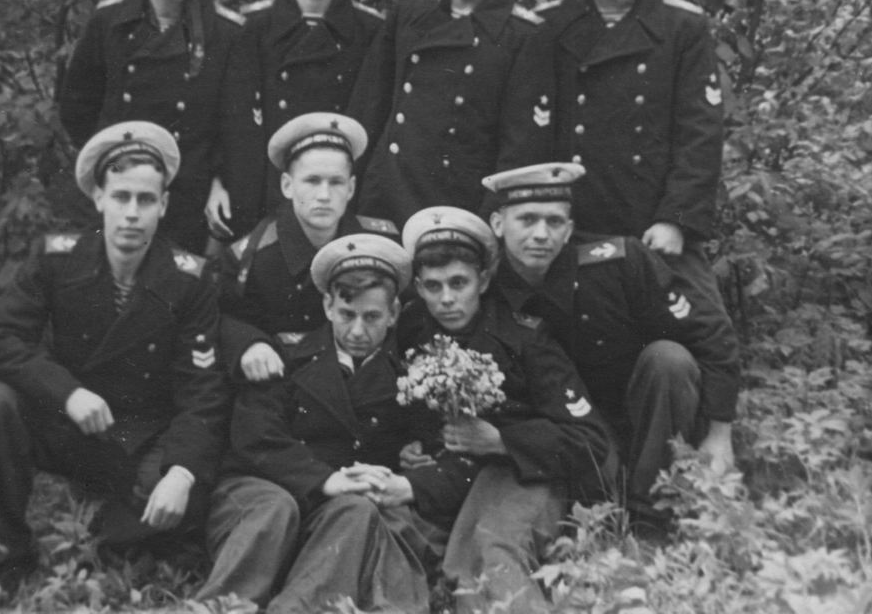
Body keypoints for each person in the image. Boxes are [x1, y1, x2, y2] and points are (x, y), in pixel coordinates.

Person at [0, 122, 230, 595]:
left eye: (145, 200)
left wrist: (181, 472)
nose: (131, 214)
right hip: (71, 422)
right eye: (121, 197)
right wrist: (67, 393)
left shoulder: (190, 280)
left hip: (138, 437)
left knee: (176, 497)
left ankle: (105, 540)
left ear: (163, 206)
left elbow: (203, 394)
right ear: (98, 199)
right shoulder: (57, 258)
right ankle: (2, 563)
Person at [509, 0, 738, 390]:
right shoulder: (547, 26)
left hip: (652, 223)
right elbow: (529, 134)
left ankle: (713, 428)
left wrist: (676, 220)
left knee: (706, 331)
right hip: (570, 221)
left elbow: (700, 135)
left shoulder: (682, 28)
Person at [197, 234, 473, 614]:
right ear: (328, 306)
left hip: (339, 509)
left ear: (394, 313)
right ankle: (218, 607)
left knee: (357, 510)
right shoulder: (286, 356)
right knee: (277, 508)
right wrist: (326, 480)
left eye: (372, 317)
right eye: (347, 314)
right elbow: (256, 438)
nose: (357, 331)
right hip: (266, 489)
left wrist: (411, 467)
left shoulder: (415, 376)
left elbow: (444, 451)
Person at [482, 163, 739, 521]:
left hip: (640, 415)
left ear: (569, 229)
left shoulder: (618, 263)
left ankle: (650, 507)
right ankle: (599, 504)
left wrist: (719, 434)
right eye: (526, 220)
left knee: (670, 359)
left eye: (554, 222)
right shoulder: (486, 291)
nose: (541, 234)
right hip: (570, 432)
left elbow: (709, 333)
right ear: (498, 224)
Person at [399, 206, 608, 613]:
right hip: (456, 476)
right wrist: (412, 443)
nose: (446, 299)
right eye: (433, 286)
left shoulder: (526, 339)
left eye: (458, 283)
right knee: (445, 559)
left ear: (482, 280)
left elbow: (591, 441)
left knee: (494, 546)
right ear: (419, 288)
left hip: (528, 472)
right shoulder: (414, 329)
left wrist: (502, 441)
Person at [58, 0, 243, 252]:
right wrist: (109, 168)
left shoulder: (228, 34)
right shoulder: (108, 23)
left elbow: (235, 127)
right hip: (118, 193)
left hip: (189, 198)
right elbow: (77, 109)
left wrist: (221, 181)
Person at [347, 0, 540, 228]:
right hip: (386, 196)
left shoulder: (521, 35)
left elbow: (518, 147)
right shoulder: (409, 14)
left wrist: (487, 222)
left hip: (460, 205)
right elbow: (369, 109)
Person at [209, 0, 384, 240]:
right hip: (266, 196)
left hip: (338, 199)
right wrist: (217, 180)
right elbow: (230, 118)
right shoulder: (254, 29)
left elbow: (373, 122)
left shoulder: (370, 31)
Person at [218, 112, 398, 382]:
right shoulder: (253, 257)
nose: (324, 195)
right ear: (287, 186)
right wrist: (250, 343)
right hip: (285, 385)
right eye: (312, 181)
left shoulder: (382, 244)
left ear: (351, 188)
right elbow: (225, 316)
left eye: (336, 182)